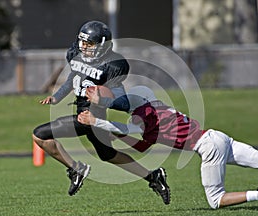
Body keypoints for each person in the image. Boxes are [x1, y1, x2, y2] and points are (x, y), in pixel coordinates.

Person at [32, 21, 170, 204]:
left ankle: (76, 169)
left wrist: (102, 101)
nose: (83, 47)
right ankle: (153, 176)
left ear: (103, 45)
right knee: (108, 155)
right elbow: (74, 77)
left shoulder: (114, 64)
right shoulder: (76, 54)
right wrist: (57, 96)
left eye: (89, 44)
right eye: (82, 42)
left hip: (91, 117)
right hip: (87, 115)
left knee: (39, 135)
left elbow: (120, 101)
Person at [78, 85, 258, 209]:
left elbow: (127, 127)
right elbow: (140, 145)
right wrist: (112, 129)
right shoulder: (159, 109)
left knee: (216, 200)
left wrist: (97, 119)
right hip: (217, 137)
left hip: (208, 146)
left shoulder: (146, 116)